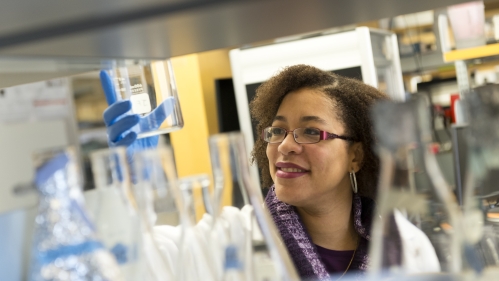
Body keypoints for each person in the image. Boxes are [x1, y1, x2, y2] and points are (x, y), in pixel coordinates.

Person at [250, 64, 388, 280]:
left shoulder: (403, 249)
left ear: (355, 156)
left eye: (311, 132)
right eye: (277, 131)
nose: (285, 146)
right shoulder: (241, 241)